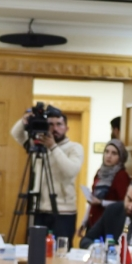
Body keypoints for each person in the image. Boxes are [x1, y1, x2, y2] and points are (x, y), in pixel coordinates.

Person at [10, 103, 82, 240]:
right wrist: (25, 120)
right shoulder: (38, 145)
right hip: (39, 208)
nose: (55, 128)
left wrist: (53, 147)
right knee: (37, 247)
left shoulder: (74, 148)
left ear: (66, 128)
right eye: (51, 124)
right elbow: (16, 134)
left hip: (63, 211)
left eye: (59, 124)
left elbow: (71, 171)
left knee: (61, 249)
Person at [83, 138, 131, 235]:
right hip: (93, 222)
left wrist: (101, 202)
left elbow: (124, 203)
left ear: (121, 157)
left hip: (110, 223)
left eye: (114, 153)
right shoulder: (100, 172)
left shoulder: (121, 175)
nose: (109, 156)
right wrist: (84, 221)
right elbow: (93, 199)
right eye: (107, 151)